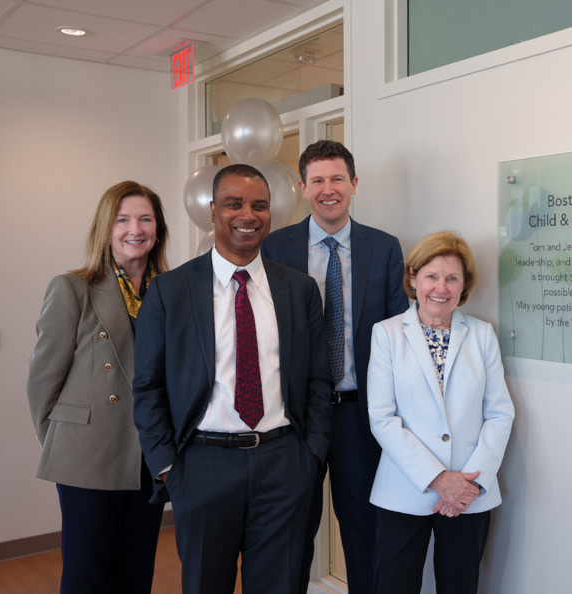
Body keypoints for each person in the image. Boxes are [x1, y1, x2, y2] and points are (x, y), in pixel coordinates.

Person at [132, 164, 332, 594]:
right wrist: (168, 467)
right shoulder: (170, 292)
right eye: (234, 204)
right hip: (202, 467)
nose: (248, 214)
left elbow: (318, 380)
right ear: (212, 211)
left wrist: (311, 455)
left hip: (284, 465)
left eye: (259, 205)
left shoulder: (299, 290)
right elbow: (147, 388)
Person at [261, 140, 406, 593]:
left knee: (364, 535)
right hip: (295, 417)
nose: (329, 189)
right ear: (303, 187)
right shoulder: (274, 248)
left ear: (354, 184)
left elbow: (400, 339)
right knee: (290, 536)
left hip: (358, 417)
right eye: (318, 180)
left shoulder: (383, 249)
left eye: (337, 179)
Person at [27, 181, 169, 593]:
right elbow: (42, 380)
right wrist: (61, 441)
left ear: (157, 229)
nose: (134, 229)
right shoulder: (73, 287)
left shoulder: (172, 291)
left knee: (137, 572)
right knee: (86, 574)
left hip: (149, 455)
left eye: (145, 219)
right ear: (106, 229)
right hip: (87, 457)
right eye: (122, 220)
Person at [367, 231, 515, 594]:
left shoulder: (482, 335)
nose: (441, 288)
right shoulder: (386, 334)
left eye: (452, 278)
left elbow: (500, 413)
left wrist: (469, 485)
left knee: (459, 585)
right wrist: (437, 478)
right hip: (404, 488)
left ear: (464, 285)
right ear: (413, 277)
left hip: (469, 492)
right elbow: (382, 418)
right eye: (432, 276)